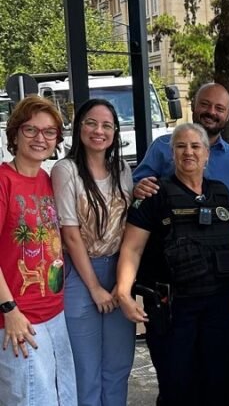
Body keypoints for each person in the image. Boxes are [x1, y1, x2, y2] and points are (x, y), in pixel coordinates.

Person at [116, 123, 229, 405]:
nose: (188, 152)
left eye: (195, 146)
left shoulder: (222, 193)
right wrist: (123, 292)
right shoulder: (154, 196)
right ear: (172, 154)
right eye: (181, 146)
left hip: (220, 305)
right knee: (177, 385)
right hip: (174, 309)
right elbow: (132, 248)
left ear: (206, 156)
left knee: (217, 382)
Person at [51, 99, 135, 406]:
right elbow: (70, 236)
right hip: (80, 275)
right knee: (85, 368)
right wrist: (96, 288)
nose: (99, 131)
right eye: (91, 123)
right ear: (79, 127)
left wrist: (120, 285)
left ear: (115, 131)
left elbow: (129, 227)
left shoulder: (122, 168)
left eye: (107, 125)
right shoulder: (66, 170)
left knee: (118, 364)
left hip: (118, 272)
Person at [0, 96, 76, 405]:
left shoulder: (48, 179)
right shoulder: (4, 181)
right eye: (30, 130)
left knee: (61, 397)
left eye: (49, 132)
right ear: (15, 133)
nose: (39, 138)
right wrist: (9, 311)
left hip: (55, 314)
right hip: (19, 319)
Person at [132, 82, 229, 209]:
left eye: (219, 108)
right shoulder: (162, 146)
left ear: (228, 115)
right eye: (205, 104)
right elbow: (134, 188)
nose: (211, 112)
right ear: (193, 106)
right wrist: (137, 188)